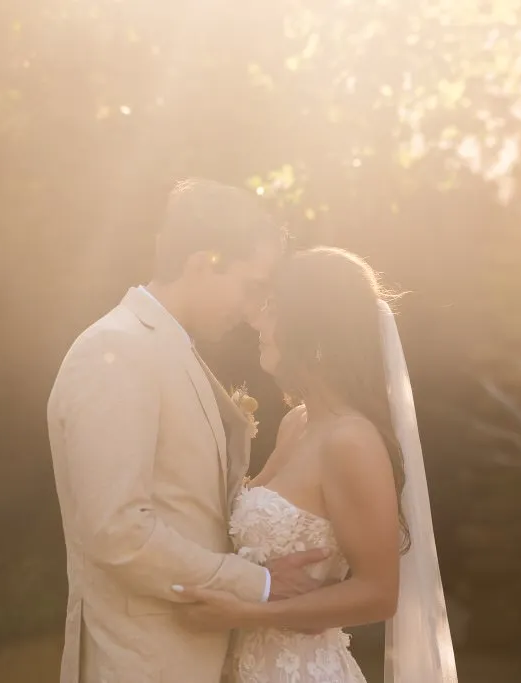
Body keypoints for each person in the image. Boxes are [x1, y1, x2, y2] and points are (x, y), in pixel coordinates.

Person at [47, 179, 329, 683]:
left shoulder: (170, 350)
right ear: (203, 263)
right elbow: (118, 530)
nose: (251, 309)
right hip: (140, 665)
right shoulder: (114, 351)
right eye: (251, 286)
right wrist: (257, 584)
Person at [174, 247, 458, 683]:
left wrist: (245, 611)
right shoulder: (297, 423)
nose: (256, 321)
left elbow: (379, 594)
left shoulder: (351, 441)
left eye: (272, 307)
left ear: (312, 325)